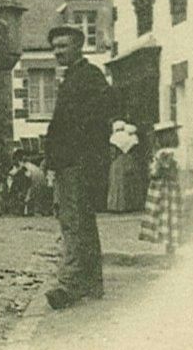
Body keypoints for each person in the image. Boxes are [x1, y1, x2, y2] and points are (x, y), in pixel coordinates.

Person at [42, 25, 117, 310]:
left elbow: (107, 106)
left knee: (73, 222)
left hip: (79, 163)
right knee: (81, 221)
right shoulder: (74, 78)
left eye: (64, 46)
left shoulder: (89, 76)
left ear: (79, 47)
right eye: (55, 47)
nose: (58, 52)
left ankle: (69, 283)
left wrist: (79, 142)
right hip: (69, 161)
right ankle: (91, 281)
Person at [140, 122, 186, 255]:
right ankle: (171, 243)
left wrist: (154, 170)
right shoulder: (176, 152)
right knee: (171, 213)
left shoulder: (163, 154)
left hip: (161, 187)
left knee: (163, 212)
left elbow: (156, 171)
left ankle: (167, 243)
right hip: (172, 186)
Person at [106, 120, 144, 212]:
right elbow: (136, 151)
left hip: (118, 161)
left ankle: (117, 206)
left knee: (118, 182)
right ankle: (133, 204)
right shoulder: (132, 137)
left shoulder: (114, 138)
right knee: (131, 181)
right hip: (130, 160)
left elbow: (113, 153)